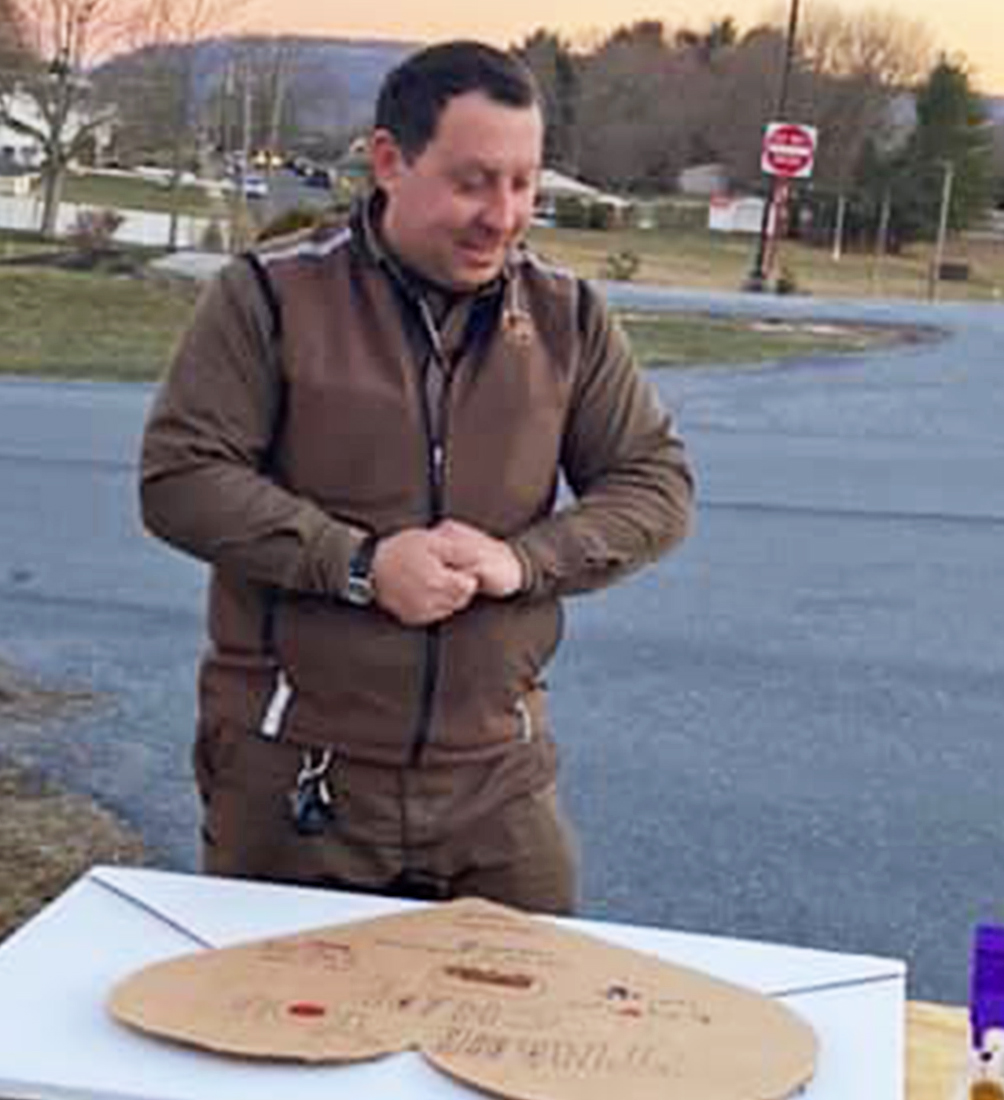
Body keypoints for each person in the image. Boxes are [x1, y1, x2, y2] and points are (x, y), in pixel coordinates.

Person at [137, 41, 692, 915]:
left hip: (498, 783)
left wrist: (527, 562)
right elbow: (180, 478)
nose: (503, 216)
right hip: (300, 779)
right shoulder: (268, 298)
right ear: (389, 161)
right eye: (473, 181)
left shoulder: (568, 318)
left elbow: (654, 483)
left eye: (524, 183)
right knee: (282, 1041)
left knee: (523, 1037)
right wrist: (358, 565)